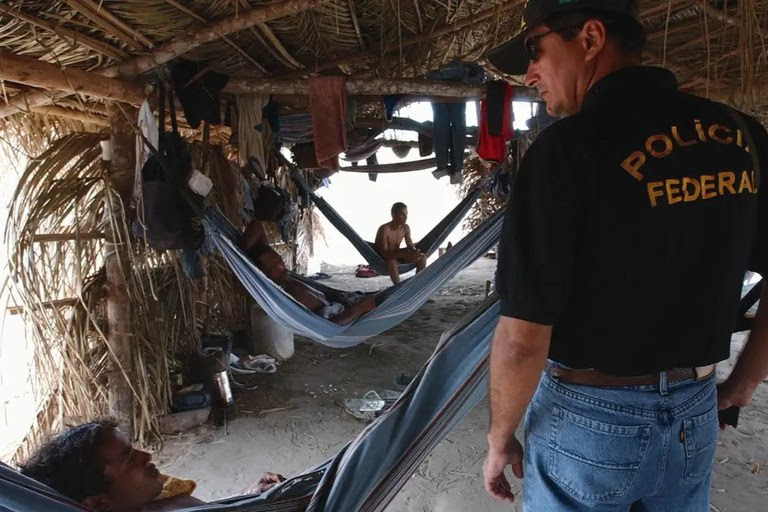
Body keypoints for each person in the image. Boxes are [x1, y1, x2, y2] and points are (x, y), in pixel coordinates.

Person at [482, 1, 768, 510]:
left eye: (535, 50)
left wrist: (499, 438)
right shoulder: (741, 136)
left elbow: (523, 340)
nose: (529, 74)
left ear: (590, 39)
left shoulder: (564, 152)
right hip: (694, 416)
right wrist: (743, 385)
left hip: (589, 419)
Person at [19, 419, 285, 512]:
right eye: (129, 459)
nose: (146, 456)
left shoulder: (157, 500)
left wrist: (245, 499)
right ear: (99, 503)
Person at [243, 220, 378, 324]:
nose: (281, 265)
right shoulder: (287, 294)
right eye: (273, 266)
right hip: (343, 315)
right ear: (262, 274)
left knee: (381, 297)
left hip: (338, 301)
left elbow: (256, 225)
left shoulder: (285, 278)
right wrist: (360, 307)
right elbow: (330, 326)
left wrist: (244, 255)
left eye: (279, 259)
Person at [374, 202, 427, 284]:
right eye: (402, 214)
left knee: (422, 257)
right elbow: (384, 253)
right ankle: (398, 287)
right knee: (392, 260)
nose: (406, 217)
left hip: (398, 256)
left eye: (406, 214)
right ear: (394, 214)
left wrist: (414, 252)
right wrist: (403, 254)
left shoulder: (405, 228)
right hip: (385, 260)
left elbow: (410, 245)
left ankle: (417, 283)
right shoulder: (384, 229)